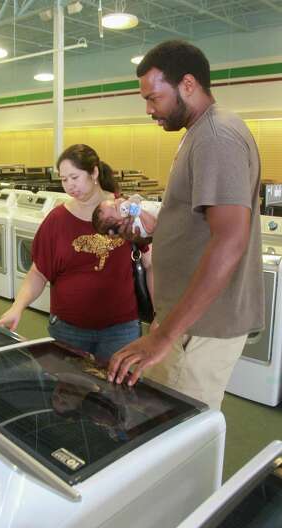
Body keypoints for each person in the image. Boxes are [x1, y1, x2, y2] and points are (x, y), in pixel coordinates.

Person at [107, 40, 264, 410]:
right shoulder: (200, 133)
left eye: (153, 98)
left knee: (174, 428)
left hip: (196, 328)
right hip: (186, 321)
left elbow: (230, 240)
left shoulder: (216, 137)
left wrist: (164, 337)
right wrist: (154, 228)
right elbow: (200, 225)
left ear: (188, 85)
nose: (148, 109)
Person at [0, 144, 153, 362]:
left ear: (94, 172)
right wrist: (17, 307)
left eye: (75, 177)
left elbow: (152, 264)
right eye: (64, 179)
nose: (69, 185)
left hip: (121, 329)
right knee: (68, 391)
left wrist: (159, 316)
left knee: (118, 392)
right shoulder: (57, 220)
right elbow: (38, 272)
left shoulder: (124, 212)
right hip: (68, 329)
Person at [92, 194, 161, 237]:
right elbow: (153, 227)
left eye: (114, 200)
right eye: (115, 206)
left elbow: (139, 197)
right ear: (120, 222)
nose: (118, 201)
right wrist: (139, 212)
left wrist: (133, 200)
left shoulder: (131, 207)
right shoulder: (134, 226)